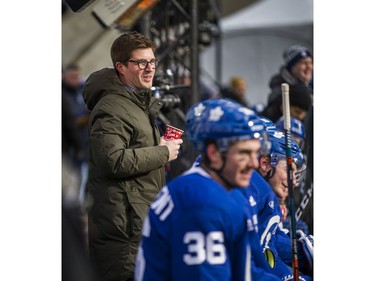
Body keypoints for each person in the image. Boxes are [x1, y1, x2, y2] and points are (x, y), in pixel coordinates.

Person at [135, 98, 279, 281]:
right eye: (244, 154)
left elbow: (245, 272)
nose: (253, 163)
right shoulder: (200, 202)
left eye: (255, 153)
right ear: (214, 153)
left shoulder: (226, 189)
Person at [82, 31, 183, 281]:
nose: (149, 69)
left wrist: (157, 147)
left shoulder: (135, 103)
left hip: (135, 226)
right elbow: (113, 160)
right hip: (123, 236)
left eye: (152, 62)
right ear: (121, 67)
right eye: (141, 63)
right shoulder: (113, 107)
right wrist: (162, 152)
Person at [239, 117, 313, 280]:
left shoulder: (256, 188)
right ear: (265, 163)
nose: (293, 180)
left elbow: (269, 245)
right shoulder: (258, 191)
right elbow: (261, 260)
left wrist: (301, 251)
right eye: (289, 169)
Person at [260, 45, 313, 122]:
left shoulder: (310, 86)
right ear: (292, 66)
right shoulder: (280, 88)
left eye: (310, 62)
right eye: (303, 63)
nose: (309, 67)